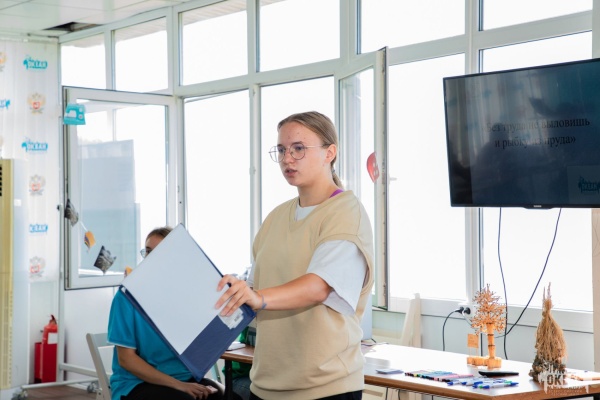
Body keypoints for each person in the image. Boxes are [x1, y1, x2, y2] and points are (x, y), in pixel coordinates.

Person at [216, 111, 374, 400]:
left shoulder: (345, 213)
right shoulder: (276, 218)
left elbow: (319, 286)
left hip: (324, 387)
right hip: (266, 384)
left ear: (330, 153)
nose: (287, 158)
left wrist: (258, 297)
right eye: (281, 150)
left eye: (298, 148)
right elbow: (255, 287)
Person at [108, 226, 226, 400]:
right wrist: (180, 386)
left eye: (160, 251)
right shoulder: (126, 297)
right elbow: (126, 360)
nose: (151, 258)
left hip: (184, 379)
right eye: (148, 251)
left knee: (226, 396)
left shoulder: (184, 297)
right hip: (135, 384)